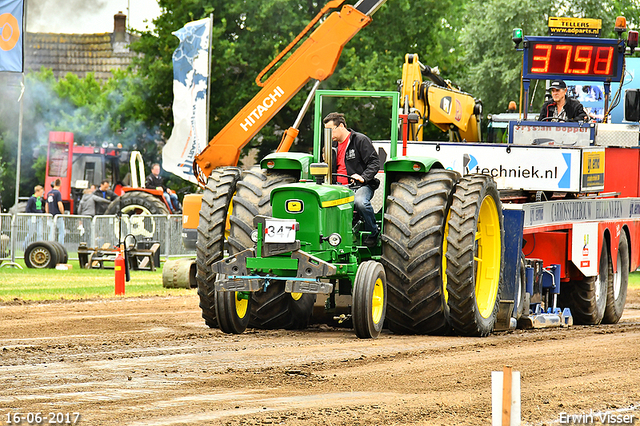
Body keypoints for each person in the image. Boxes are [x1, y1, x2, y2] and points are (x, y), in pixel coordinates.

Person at [323, 112, 380, 247]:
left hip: (360, 186)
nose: (329, 135)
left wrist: (363, 177)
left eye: (330, 130)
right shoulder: (332, 146)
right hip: (337, 187)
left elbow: (374, 163)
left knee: (360, 202)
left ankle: (373, 233)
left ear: (341, 126)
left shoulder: (360, 140)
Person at [45, 178, 65, 243]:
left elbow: (47, 205)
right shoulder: (58, 193)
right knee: (61, 231)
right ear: (60, 184)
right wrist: (62, 213)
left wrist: (47, 213)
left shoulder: (49, 193)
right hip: (57, 215)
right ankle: (60, 245)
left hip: (51, 215)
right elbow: (60, 204)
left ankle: (50, 244)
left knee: (51, 231)